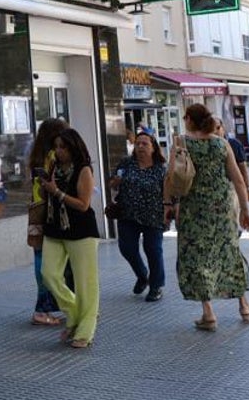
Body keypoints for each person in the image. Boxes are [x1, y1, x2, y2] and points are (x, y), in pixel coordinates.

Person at [167, 104, 249, 330]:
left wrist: (167, 204)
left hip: (193, 210)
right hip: (222, 208)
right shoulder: (221, 143)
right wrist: (244, 209)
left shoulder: (181, 143)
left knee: (196, 257)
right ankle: (243, 304)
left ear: (188, 119)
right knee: (229, 251)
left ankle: (208, 313)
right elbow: (238, 180)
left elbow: (171, 178)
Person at [38, 128, 100, 349]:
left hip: (81, 230)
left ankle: (85, 329)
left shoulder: (83, 170)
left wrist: (56, 192)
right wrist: (46, 187)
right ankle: (73, 312)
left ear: (73, 148)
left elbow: (84, 205)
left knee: (85, 283)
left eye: (62, 147)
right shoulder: (54, 167)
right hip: (55, 228)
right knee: (49, 274)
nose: (58, 151)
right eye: (56, 147)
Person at [108, 131, 168, 302]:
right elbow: (112, 182)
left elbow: (169, 193)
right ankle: (143, 275)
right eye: (138, 143)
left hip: (154, 216)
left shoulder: (160, 169)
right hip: (128, 214)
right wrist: (115, 182)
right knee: (127, 248)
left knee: (153, 250)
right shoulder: (127, 163)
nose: (140, 147)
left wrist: (169, 212)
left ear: (153, 148)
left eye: (145, 144)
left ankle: (156, 286)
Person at [26, 118, 68, 327]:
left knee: (40, 256)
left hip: (35, 209)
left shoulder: (36, 156)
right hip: (51, 211)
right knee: (55, 260)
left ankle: (43, 307)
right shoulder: (55, 156)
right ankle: (44, 308)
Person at [213, 118, 249, 227]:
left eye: (217, 127)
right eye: (211, 128)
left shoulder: (233, 143)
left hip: (232, 188)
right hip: (214, 191)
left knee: (233, 220)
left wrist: (248, 188)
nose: (215, 131)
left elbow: (243, 168)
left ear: (223, 128)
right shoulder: (206, 145)